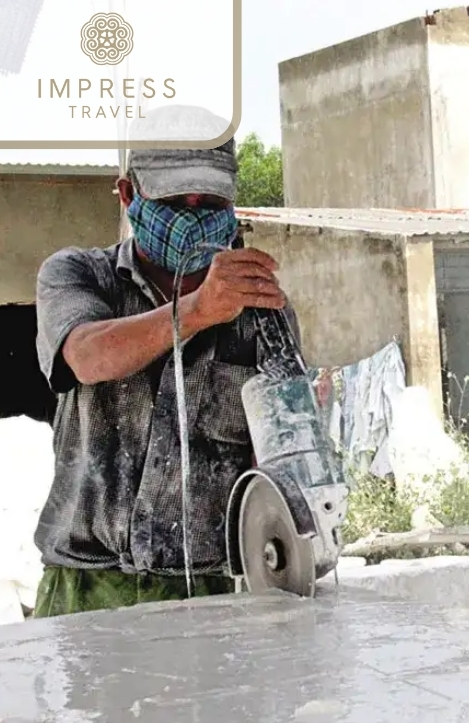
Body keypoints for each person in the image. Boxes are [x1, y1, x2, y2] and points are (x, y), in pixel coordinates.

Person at [32, 105, 299, 617]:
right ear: (130, 194)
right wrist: (196, 311)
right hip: (85, 587)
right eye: (176, 201)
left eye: (211, 201)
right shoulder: (79, 275)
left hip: (207, 593)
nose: (195, 214)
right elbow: (86, 356)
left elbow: (278, 464)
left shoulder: (261, 312)